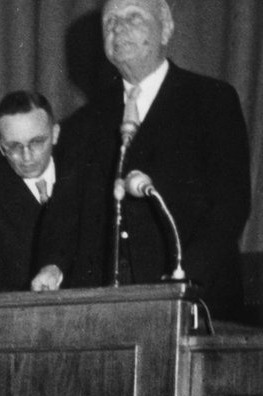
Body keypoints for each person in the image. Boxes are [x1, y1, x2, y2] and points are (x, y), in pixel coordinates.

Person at [34, 0, 251, 320]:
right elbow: (63, 216)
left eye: (133, 17)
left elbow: (230, 206)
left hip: (194, 304)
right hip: (106, 312)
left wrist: (181, 283)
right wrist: (53, 265)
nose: (118, 28)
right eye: (110, 21)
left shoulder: (212, 100)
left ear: (166, 29)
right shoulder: (83, 125)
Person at [0, 91, 71, 294]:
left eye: (37, 142)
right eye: (14, 146)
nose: (27, 156)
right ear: (0, 146)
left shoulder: (86, 178)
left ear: (55, 133)